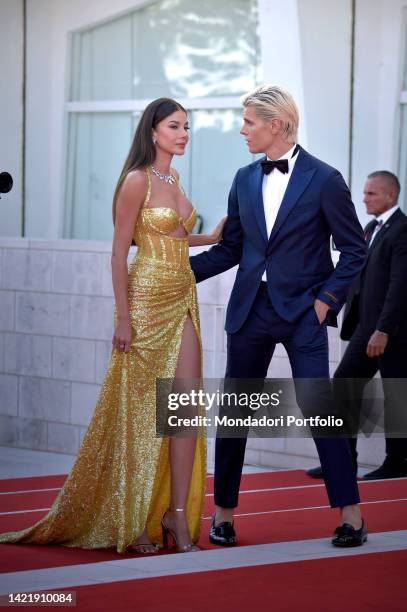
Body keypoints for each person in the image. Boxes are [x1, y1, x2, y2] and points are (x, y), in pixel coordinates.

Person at [0, 98, 225, 554]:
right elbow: (119, 251)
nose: (184, 133)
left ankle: (176, 516)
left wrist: (212, 237)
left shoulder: (173, 177)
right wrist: (122, 317)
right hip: (143, 304)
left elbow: (172, 239)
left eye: (187, 126)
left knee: (184, 409)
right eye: (175, 126)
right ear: (154, 131)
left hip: (183, 297)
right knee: (138, 415)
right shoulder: (136, 180)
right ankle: (131, 519)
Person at [190, 84, 369, 548]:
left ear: (276, 125)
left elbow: (354, 250)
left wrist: (325, 301)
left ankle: (351, 514)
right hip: (250, 313)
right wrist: (175, 274)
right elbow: (231, 250)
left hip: (303, 315)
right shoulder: (243, 178)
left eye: (249, 122)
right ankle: (224, 514)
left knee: (320, 410)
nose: (242, 129)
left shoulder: (326, 179)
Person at [307, 171, 407, 481]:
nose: (364, 199)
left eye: (371, 194)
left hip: (392, 331)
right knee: (344, 386)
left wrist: (384, 329)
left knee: (397, 395)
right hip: (366, 326)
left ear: (390, 196)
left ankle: (397, 462)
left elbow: (400, 286)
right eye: (364, 193)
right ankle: (341, 459)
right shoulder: (371, 229)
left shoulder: (402, 231)